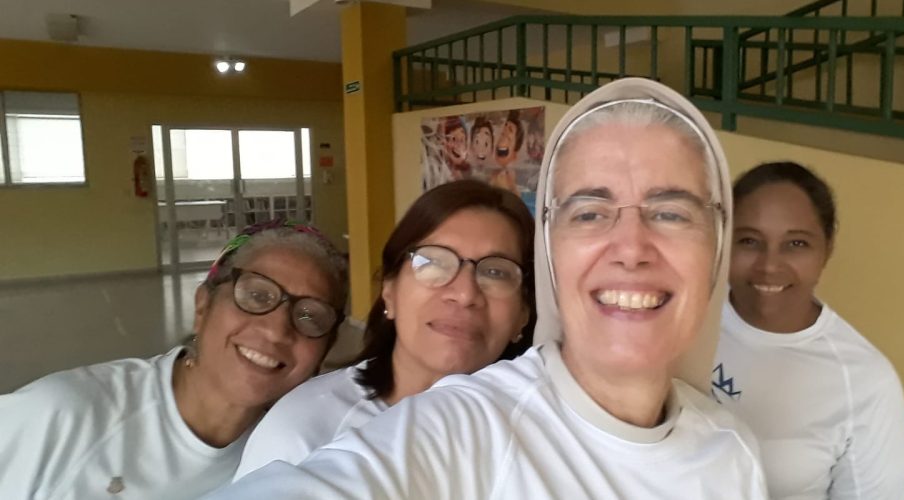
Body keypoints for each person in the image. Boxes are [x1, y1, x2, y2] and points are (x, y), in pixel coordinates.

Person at [209, 78, 767, 499]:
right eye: (589, 213)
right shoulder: (461, 430)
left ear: (716, 251)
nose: (631, 246)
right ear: (552, 259)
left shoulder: (733, 451)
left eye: (671, 213)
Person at [0, 219, 348, 499]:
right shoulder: (61, 414)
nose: (276, 330)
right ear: (203, 306)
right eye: (256, 295)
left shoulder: (302, 451)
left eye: (310, 316)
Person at [232, 180, 535, 480]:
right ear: (389, 292)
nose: (465, 294)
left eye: (496, 272)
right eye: (434, 262)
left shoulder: (541, 436)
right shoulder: (303, 431)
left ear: (523, 314)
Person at [711, 162, 904, 499]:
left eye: (796, 244)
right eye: (749, 241)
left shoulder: (864, 380)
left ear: (827, 249)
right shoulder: (684, 322)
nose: (769, 265)